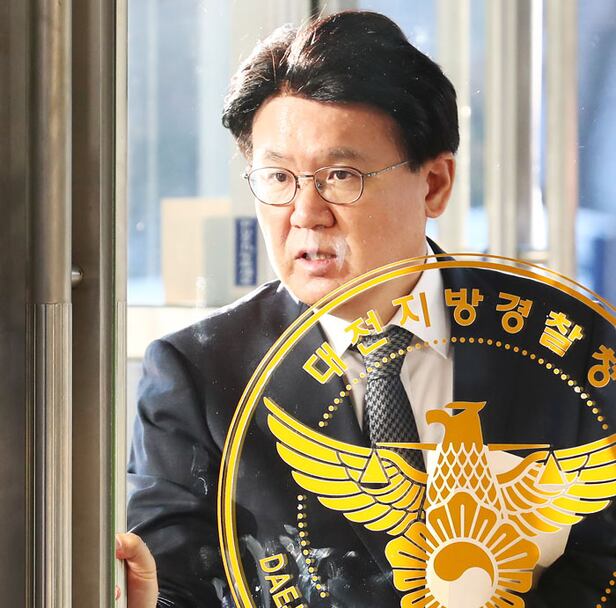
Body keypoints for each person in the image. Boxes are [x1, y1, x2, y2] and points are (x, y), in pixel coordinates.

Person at [117, 10, 616, 608]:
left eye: (340, 175)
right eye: (277, 177)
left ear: (434, 184)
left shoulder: (570, 343)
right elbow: (173, 586)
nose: (306, 213)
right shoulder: (199, 374)